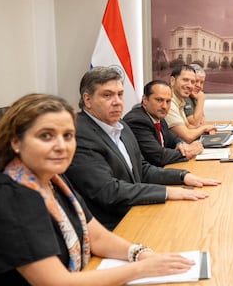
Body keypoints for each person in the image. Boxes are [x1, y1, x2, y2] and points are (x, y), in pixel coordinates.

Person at [0, 93, 195, 286]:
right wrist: (140, 270)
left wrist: (140, 254)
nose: (61, 146)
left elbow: (95, 235)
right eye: (46, 136)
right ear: (16, 142)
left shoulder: (52, 179)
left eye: (68, 135)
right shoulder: (8, 198)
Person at [66, 67, 220, 230]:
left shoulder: (121, 126)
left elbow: (142, 170)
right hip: (114, 225)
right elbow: (109, 191)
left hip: (136, 211)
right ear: (87, 100)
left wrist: (182, 176)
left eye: (120, 94)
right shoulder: (79, 135)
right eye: (107, 95)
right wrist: (168, 192)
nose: (117, 101)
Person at [123, 80, 204, 167]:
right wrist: (190, 151)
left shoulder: (158, 116)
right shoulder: (137, 121)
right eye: (159, 100)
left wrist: (181, 145)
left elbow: (173, 139)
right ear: (145, 100)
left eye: (168, 101)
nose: (164, 106)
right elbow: (159, 156)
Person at [165, 64, 218, 143]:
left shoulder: (180, 101)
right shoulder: (168, 103)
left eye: (193, 82)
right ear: (172, 81)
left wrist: (202, 128)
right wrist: (204, 128)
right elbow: (188, 136)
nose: (190, 85)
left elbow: (189, 127)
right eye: (185, 80)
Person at [184, 63, 207, 128]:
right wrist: (201, 99)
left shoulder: (195, 96)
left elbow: (203, 121)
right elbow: (195, 123)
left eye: (202, 82)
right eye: (196, 81)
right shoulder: (185, 97)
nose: (199, 85)